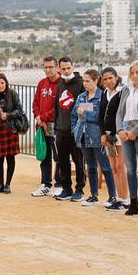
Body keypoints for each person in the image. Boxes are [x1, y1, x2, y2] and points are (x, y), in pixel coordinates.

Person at [72, 69, 116, 207]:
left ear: (96, 80)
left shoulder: (102, 96)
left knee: (105, 167)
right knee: (90, 167)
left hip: (97, 136)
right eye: (84, 81)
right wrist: (75, 129)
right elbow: (74, 115)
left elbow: (100, 116)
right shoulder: (81, 97)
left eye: (88, 81)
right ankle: (93, 195)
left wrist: (85, 113)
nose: (85, 84)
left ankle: (112, 196)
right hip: (83, 136)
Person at [114, 60, 138, 215]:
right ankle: (134, 202)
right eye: (133, 73)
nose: (135, 75)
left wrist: (135, 132)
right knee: (130, 169)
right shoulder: (126, 89)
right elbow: (119, 113)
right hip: (125, 131)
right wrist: (120, 130)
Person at [51, 57, 85, 201]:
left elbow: (89, 105)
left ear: (73, 67)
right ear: (59, 69)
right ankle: (66, 189)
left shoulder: (81, 84)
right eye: (63, 69)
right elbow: (57, 107)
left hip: (76, 131)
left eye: (68, 68)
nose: (66, 71)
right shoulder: (60, 85)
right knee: (63, 161)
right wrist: (56, 127)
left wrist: (82, 112)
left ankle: (80, 190)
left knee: (79, 162)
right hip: (61, 130)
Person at [30, 57, 61, 197]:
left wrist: (43, 117)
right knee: (45, 156)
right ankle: (46, 184)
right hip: (42, 126)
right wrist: (38, 117)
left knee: (59, 156)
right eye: (45, 67)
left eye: (51, 67)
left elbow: (59, 107)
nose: (48, 70)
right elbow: (35, 102)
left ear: (57, 68)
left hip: (56, 127)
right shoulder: (41, 83)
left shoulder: (62, 84)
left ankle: (59, 184)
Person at [99, 67, 130, 210]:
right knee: (113, 167)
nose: (108, 81)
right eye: (105, 79)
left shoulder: (122, 92)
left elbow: (121, 114)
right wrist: (103, 134)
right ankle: (118, 198)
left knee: (120, 166)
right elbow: (101, 115)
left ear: (116, 77)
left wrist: (113, 132)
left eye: (111, 78)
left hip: (118, 134)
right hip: (107, 136)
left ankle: (125, 199)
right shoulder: (105, 93)